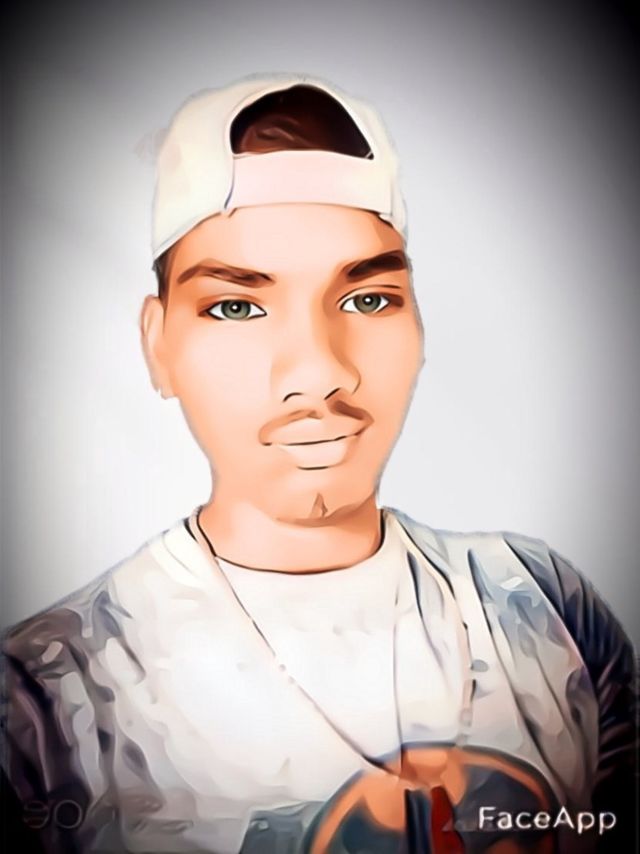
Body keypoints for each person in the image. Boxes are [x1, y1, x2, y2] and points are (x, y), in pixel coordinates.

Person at [0, 73, 637, 854]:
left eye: (367, 300)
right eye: (237, 306)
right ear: (157, 346)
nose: (319, 372)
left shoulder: (547, 607)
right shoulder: (43, 706)